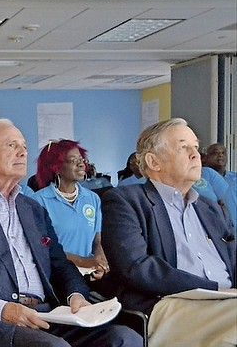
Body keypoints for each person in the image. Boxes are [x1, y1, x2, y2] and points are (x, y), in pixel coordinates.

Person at [0, 119, 142, 347]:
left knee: (125, 339)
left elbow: (60, 265)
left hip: (47, 316)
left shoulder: (33, 209)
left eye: (24, 146)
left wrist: (75, 295)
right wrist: (3, 309)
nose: (22, 152)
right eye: (12, 145)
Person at [101, 118, 236, 347]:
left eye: (196, 147)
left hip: (227, 300)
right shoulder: (126, 201)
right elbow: (136, 267)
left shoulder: (209, 207)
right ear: (154, 161)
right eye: (184, 147)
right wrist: (215, 289)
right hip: (168, 302)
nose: (196, 155)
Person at [32, 140, 109, 281]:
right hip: (55, 277)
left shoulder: (92, 198)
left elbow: (96, 241)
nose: (81, 164)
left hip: (87, 276)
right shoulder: (38, 201)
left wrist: (100, 262)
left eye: (82, 159)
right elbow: (44, 248)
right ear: (56, 167)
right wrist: (83, 261)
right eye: (73, 161)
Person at [204, 143, 236, 230]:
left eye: (223, 153)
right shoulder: (203, 175)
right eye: (215, 153)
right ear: (206, 157)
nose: (220, 155)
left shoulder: (235, 177)